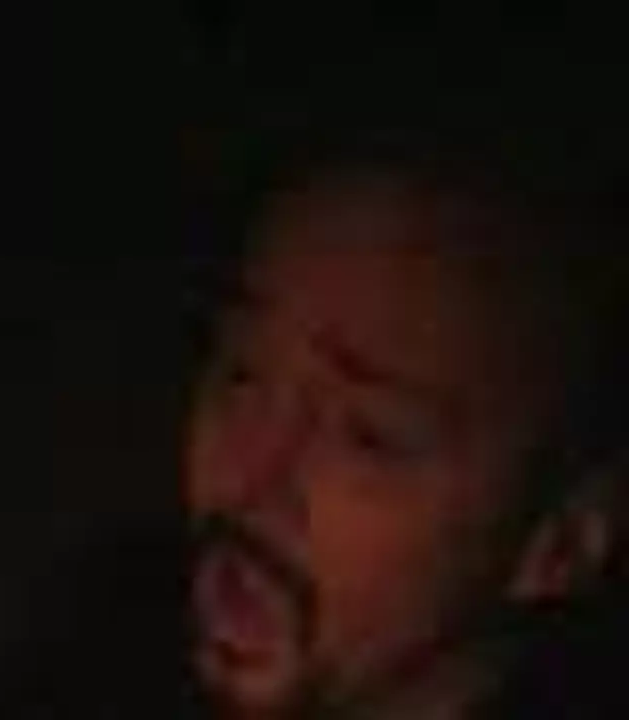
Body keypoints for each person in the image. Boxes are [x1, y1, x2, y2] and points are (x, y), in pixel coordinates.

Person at [186, 133, 629, 719]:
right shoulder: (107, 647)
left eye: (369, 436)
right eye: (241, 374)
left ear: (564, 543)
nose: (249, 480)